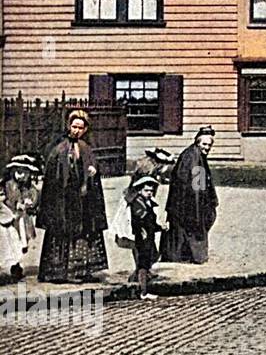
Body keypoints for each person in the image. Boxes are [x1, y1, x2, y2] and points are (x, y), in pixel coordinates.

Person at [37, 109, 110, 283]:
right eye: (74, 126)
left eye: (80, 127)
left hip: (83, 201)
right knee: (62, 233)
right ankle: (59, 273)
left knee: (83, 234)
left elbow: (92, 169)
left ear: (85, 130)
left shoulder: (86, 148)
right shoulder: (59, 149)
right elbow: (53, 179)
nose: (76, 130)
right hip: (64, 201)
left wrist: (93, 173)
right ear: (69, 126)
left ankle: (81, 270)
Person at [163, 126, 219, 264]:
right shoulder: (195, 158)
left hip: (181, 201)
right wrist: (201, 205)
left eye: (209, 145)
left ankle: (179, 255)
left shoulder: (192, 154)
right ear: (197, 142)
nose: (207, 148)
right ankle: (191, 256)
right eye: (204, 144)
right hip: (188, 202)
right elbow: (197, 187)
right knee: (194, 227)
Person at [1, 155, 41, 280]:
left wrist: (31, 203)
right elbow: (6, 200)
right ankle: (15, 266)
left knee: (24, 242)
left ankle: (18, 264)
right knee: (13, 242)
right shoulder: (9, 185)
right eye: (18, 172)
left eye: (24, 173)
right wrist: (14, 204)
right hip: (12, 220)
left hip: (24, 219)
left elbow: (35, 199)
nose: (21, 176)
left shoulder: (30, 187)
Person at [127, 175, 164, 300]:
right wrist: (144, 231)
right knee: (143, 262)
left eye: (151, 191)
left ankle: (135, 283)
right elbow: (140, 220)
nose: (149, 193)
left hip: (148, 236)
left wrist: (159, 227)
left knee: (148, 259)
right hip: (142, 237)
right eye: (146, 190)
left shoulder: (146, 202)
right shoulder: (137, 203)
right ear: (139, 190)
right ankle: (143, 292)